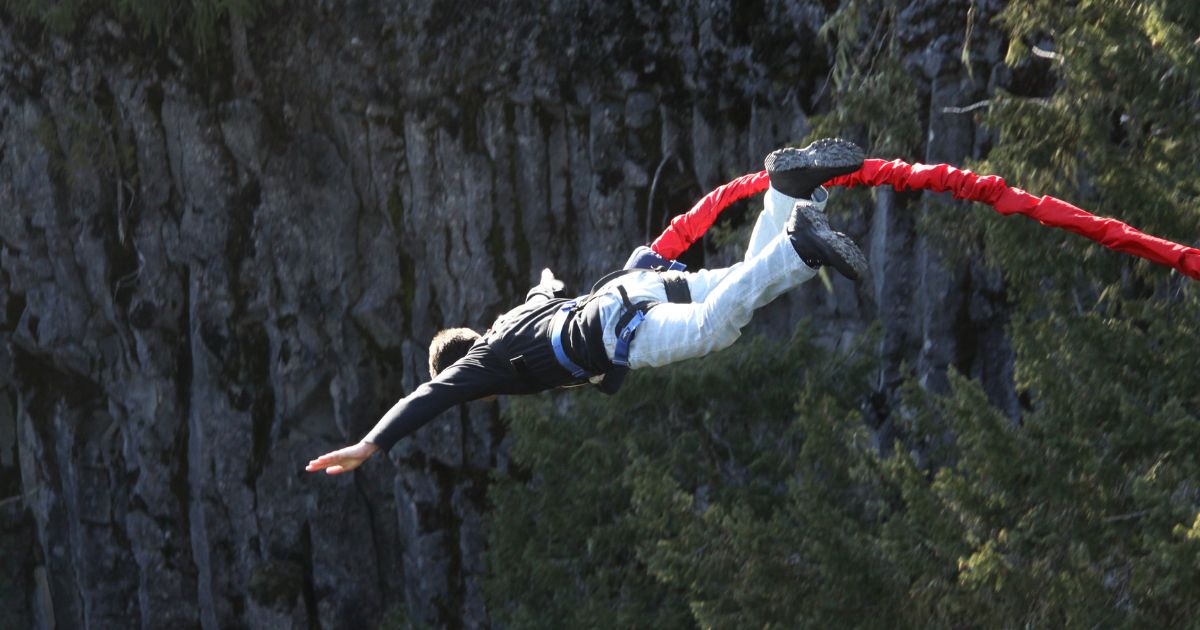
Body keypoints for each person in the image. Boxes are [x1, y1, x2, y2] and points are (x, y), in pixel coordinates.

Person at [306, 138, 868, 475]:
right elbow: (544, 289)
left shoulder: (485, 364)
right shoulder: (513, 320)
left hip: (620, 326)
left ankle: (798, 244)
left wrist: (370, 443)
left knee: (713, 331)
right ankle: (789, 193)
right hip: (637, 286)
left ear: (463, 364)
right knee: (746, 276)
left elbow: (428, 395)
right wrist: (547, 282)